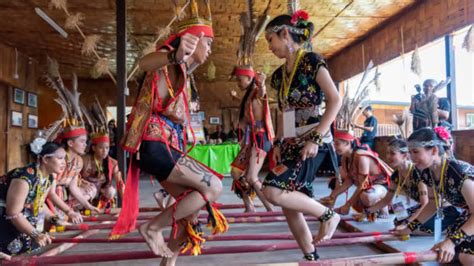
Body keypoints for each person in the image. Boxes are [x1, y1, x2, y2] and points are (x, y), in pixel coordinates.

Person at [111, 1, 227, 264]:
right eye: (207, 43)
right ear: (193, 40)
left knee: (190, 215)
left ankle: (168, 262)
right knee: (215, 186)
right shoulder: (169, 60)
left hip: (164, 148)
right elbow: (144, 62)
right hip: (157, 146)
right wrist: (175, 53)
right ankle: (151, 227)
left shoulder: (183, 69)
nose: (210, 50)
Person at [260, 10, 342, 261]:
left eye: (271, 40)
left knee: (272, 191)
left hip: (313, 141)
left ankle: (329, 215)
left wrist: (316, 138)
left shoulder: (312, 61)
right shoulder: (278, 75)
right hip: (290, 143)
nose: (270, 47)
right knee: (288, 204)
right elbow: (284, 111)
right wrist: (278, 142)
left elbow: (335, 100)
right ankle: (311, 257)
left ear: (286, 34)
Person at [394, 127, 473, 265]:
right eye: (410, 152)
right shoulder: (427, 172)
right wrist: (410, 227)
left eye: (416, 151)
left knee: (464, 257)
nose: (412, 158)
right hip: (468, 214)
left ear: (434, 150)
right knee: (446, 255)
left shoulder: (457, 171)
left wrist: (451, 241)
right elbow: (432, 204)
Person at [229, 0, 274, 213]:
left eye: (241, 80)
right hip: (250, 139)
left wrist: (262, 84)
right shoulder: (247, 95)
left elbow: (264, 96)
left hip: (260, 138)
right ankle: (249, 205)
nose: (239, 83)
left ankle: (270, 208)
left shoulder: (256, 91)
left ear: (250, 79)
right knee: (237, 173)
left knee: (252, 176)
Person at [365, 138, 459, 230]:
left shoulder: (417, 172)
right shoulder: (396, 175)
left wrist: (408, 224)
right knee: (398, 221)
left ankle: (449, 226)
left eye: (392, 153)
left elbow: (425, 203)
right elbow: (386, 200)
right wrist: (366, 212)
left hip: (442, 209)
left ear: (404, 155)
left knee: (413, 227)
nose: (388, 157)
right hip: (427, 207)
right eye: (387, 153)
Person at [0, 142, 64, 255]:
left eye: (64, 158)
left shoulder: (48, 178)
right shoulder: (24, 178)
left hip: (17, 215)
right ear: (45, 159)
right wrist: (36, 234)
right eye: (60, 158)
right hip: (4, 216)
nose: (64, 163)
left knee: (32, 247)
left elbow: (39, 204)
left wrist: (55, 220)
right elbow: (13, 213)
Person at [323, 130, 392, 220]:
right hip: (367, 187)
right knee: (335, 180)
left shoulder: (361, 157)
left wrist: (348, 204)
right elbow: (349, 181)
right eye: (334, 143)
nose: (334, 147)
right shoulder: (345, 158)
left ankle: (383, 208)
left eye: (337, 144)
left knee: (367, 196)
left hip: (383, 187)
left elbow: (363, 185)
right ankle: (372, 209)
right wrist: (332, 196)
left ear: (347, 143)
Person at [81, 101, 125, 211]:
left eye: (107, 148)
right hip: (86, 190)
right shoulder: (85, 160)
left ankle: (99, 206)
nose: (105, 151)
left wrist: (126, 204)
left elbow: (119, 183)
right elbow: (75, 177)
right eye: (101, 148)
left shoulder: (112, 163)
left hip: (101, 193)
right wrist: (82, 183)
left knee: (111, 191)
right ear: (94, 148)